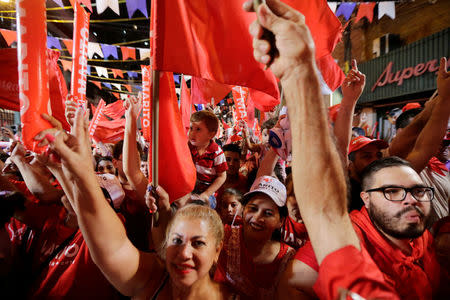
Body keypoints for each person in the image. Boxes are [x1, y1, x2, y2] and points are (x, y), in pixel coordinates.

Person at [245, 0, 400, 298]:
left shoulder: (344, 226)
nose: (302, 205)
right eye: (295, 197)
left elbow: (339, 155)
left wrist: (344, 97)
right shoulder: (285, 227)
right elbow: (272, 187)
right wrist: (276, 148)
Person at [214, 175, 295, 299]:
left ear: (281, 221)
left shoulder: (287, 260)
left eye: (268, 213)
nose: (257, 218)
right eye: (253, 209)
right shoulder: (223, 236)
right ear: (243, 210)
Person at [188, 110, 228, 207]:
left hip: (207, 193)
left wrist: (206, 194)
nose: (192, 133)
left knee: (201, 207)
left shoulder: (216, 153)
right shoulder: (188, 147)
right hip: (189, 190)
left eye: (198, 129)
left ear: (211, 134)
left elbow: (222, 176)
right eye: (191, 128)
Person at [347, 136, 389, 211]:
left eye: (379, 155)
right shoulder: (345, 195)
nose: (376, 160)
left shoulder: (382, 186)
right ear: (350, 164)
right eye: (367, 156)